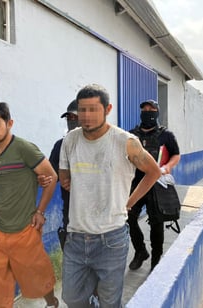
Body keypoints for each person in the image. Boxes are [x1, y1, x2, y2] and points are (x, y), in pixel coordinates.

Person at [59, 84, 161, 307]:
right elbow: (64, 173)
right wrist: (66, 179)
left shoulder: (126, 142)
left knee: (109, 301)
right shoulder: (70, 140)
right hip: (76, 236)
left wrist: (130, 203)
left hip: (111, 238)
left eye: (93, 109)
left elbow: (154, 172)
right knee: (72, 298)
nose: (86, 116)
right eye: (82, 110)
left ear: (107, 109)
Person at [0, 101, 59, 308]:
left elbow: (51, 176)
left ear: (9, 123)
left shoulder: (24, 148)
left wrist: (40, 211)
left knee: (37, 277)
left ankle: (52, 302)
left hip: (23, 229)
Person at [127, 99, 181, 271]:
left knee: (156, 222)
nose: (147, 111)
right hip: (135, 183)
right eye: (144, 108)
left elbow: (176, 155)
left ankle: (156, 260)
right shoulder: (131, 135)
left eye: (151, 109)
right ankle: (140, 251)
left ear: (157, 112)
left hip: (157, 184)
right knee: (129, 217)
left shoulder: (166, 135)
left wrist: (167, 167)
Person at [48, 99, 79, 249]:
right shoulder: (60, 145)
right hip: (70, 211)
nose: (72, 121)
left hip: (96, 212)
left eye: (75, 117)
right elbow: (51, 173)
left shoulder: (96, 145)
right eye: (69, 118)